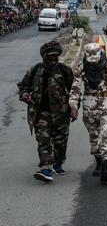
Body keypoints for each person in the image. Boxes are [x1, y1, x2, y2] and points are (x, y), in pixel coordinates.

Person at [17, 41, 75, 183]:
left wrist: (74, 107)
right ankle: (46, 169)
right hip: (41, 113)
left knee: (60, 142)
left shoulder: (64, 70)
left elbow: (74, 91)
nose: (54, 62)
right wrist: (25, 96)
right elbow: (23, 86)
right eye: (50, 59)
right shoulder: (35, 70)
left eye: (56, 59)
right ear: (44, 58)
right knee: (43, 141)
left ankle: (58, 163)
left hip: (61, 114)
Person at [69, 43, 107, 184]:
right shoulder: (81, 67)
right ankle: (99, 161)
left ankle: (106, 168)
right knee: (94, 136)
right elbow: (75, 88)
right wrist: (73, 106)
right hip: (90, 103)